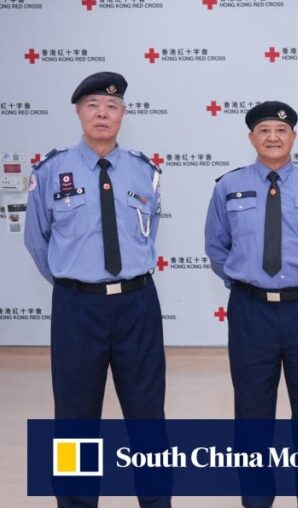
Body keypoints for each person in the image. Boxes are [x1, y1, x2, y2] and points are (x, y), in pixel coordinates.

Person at [23, 71, 169, 508]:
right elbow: (37, 239)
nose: (102, 113)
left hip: (137, 306)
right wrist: (74, 282)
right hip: (77, 309)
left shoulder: (146, 172)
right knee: (74, 420)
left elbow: (149, 234)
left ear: (123, 113)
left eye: (111, 106)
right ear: (78, 112)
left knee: (147, 417)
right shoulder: (51, 171)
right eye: (92, 105)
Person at [204, 100, 298, 508]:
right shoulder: (228, 187)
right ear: (251, 138)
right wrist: (251, 286)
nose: (273, 137)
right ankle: (257, 498)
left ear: (293, 137)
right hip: (251, 312)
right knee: (252, 412)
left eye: (281, 130)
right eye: (264, 130)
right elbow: (217, 247)